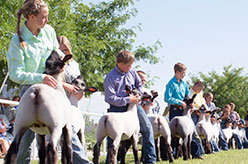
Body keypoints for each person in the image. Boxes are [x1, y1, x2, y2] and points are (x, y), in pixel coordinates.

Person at [6, 1, 91, 163]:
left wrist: (61, 60)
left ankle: (85, 162)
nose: (47, 20)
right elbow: (15, 74)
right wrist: (41, 78)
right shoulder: (17, 41)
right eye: (44, 17)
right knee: (24, 142)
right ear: (31, 16)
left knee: (68, 130)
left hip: (54, 88)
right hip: (30, 90)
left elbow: (55, 51)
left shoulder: (49, 31)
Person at [104, 50, 156, 164]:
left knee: (147, 128)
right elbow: (109, 98)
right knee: (113, 136)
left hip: (134, 107)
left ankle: (150, 160)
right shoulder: (110, 77)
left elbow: (139, 85)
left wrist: (138, 95)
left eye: (131, 65)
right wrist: (128, 99)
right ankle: (111, 161)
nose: (131, 67)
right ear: (120, 64)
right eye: (128, 65)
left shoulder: (132, 72)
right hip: (117, 109)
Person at [57, 36, 92, 163]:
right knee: (65, 137)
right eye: (60, 50)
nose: (63, 53)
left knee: (74, 136)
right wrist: (65, 85)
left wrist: (80, 93)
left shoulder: (74, 65)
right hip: (59, 101)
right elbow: (51, 79)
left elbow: (79, 83)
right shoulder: (54, 62)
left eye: (65, 50)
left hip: (73, 104)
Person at [164, 62, 204, 160]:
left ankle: (196, 154)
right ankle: (172, 155)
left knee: (191, 132)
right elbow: (167, 98)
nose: (184, 74)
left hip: (185, 111)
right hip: (175, 110)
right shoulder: (171, 84)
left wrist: (190, 104)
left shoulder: (184, 83)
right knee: (173, 135)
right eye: (183, 73)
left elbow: (187, 95)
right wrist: (179, 102)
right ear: (177, 72)